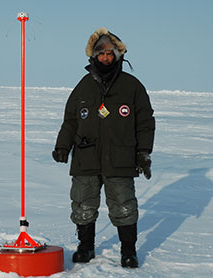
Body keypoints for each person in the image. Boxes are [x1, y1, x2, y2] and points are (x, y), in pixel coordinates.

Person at [52, 27, 155, 268]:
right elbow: (70, 121)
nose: (106, 57)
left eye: (110, 53)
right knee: (83, 205)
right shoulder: (83, 86)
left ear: (118, 54)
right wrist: (62, 147)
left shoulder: (132, 87)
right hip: (85, 157)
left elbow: (145, 121)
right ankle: (85, 247)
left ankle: (128, 251)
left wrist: (143, 153)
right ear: (94, 55)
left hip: (120, 157)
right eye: (101, 53)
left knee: (124, 206)